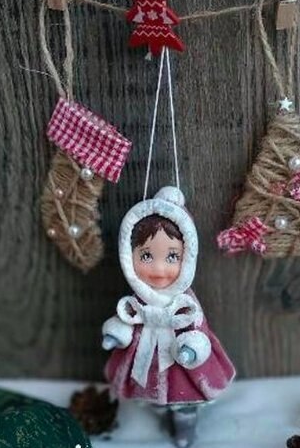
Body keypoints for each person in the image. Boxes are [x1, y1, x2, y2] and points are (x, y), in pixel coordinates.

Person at [102, 186, 235, 447]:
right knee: (151, 391)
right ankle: (161, 413)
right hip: (148, 360)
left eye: (172, 256)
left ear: (187, 258)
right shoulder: (139, 299)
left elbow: (197, 330)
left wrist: (191, 348)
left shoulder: (184, 302)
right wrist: (116, 333)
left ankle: (185, 424)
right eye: (146, 256)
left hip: (181, 363)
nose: (159, 268)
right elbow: (128, 318)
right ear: (129, 256)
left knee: (184, 400)